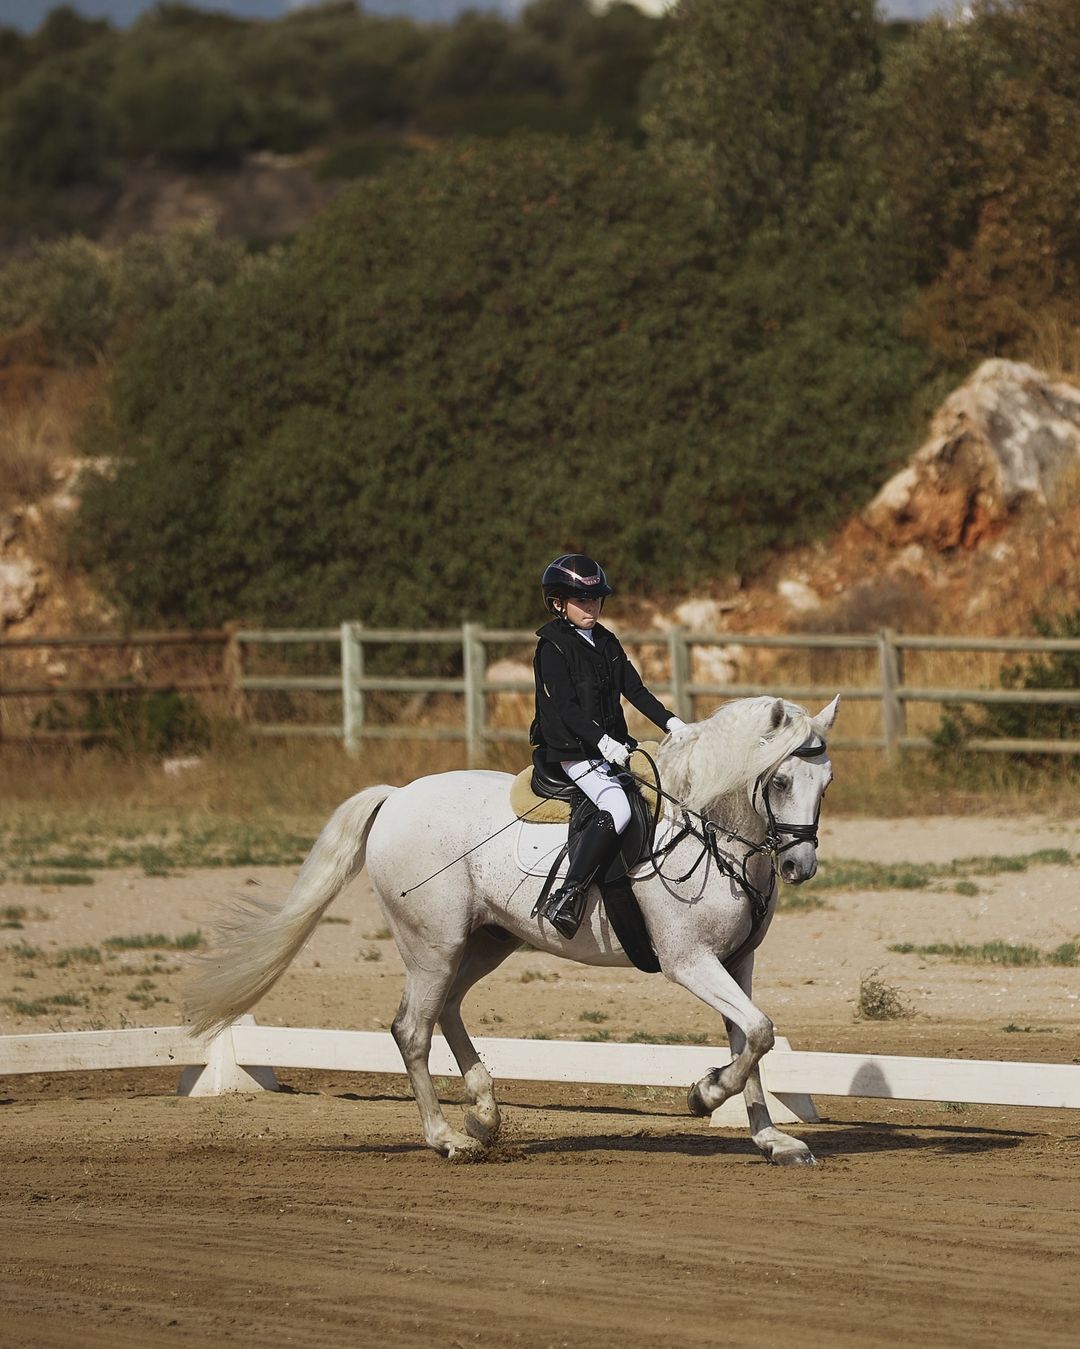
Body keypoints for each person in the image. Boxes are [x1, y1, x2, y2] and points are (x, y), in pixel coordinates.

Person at [529, 553, 691, 938]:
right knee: (617, 807)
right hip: (572, 752)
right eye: (582, 601)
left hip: (611, 747)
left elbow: (633, 689)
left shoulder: (606, 641)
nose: (591, 607)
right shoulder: (551, 648)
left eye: (596, 599)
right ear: (558, 604)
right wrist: (601, 741)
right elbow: (565, 708)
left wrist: (672, 722)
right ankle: (568, 894)